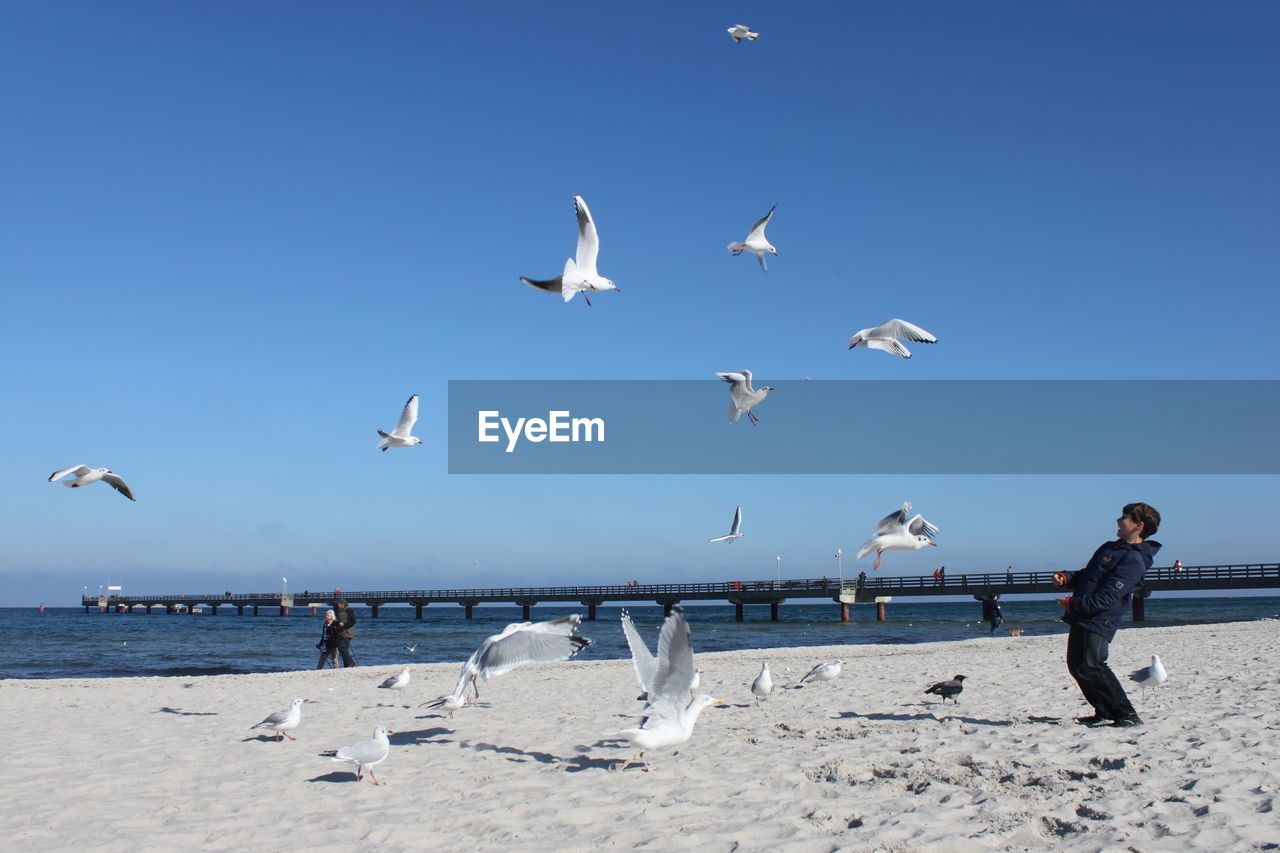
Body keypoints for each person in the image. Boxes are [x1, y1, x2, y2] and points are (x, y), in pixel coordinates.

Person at [1054, 502, 1161, 728]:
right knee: (1077, 666)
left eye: (1125, 517)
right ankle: (1103, 710)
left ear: (1138, 526)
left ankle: (1126, 714)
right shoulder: (1110, 547)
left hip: (1100, 617)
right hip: (1083, 613)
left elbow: (1108, 597)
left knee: (1094, 665)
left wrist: (1073, 604)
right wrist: (1067, 578)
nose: (1118, 520)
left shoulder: (1135, 559)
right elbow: (1088, 575)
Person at [333, 599, 358, 667]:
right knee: (344, 649)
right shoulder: (339, 611)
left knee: (341, 647)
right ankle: (347, 665)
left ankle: (351, 662)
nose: (337, 605)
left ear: (342, 604)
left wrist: (344, 624)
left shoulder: (349, 610)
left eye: (337, 604)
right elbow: (339, 620)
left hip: (348, 633)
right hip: (341, 633)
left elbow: (353, 621)